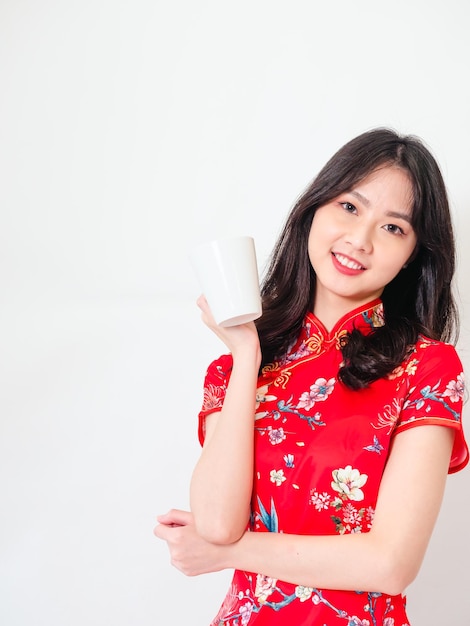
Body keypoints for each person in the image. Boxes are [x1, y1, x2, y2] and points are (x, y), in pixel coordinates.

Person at [154, 127, 469, 625]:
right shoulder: (237, 368)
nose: (359, 240)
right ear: (314, 210)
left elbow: (390, 565)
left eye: (393, 228)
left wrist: (229, 553)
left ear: (414, 255)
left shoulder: (426, 368)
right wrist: (245, 352)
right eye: (349, 207)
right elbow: (216, 523)